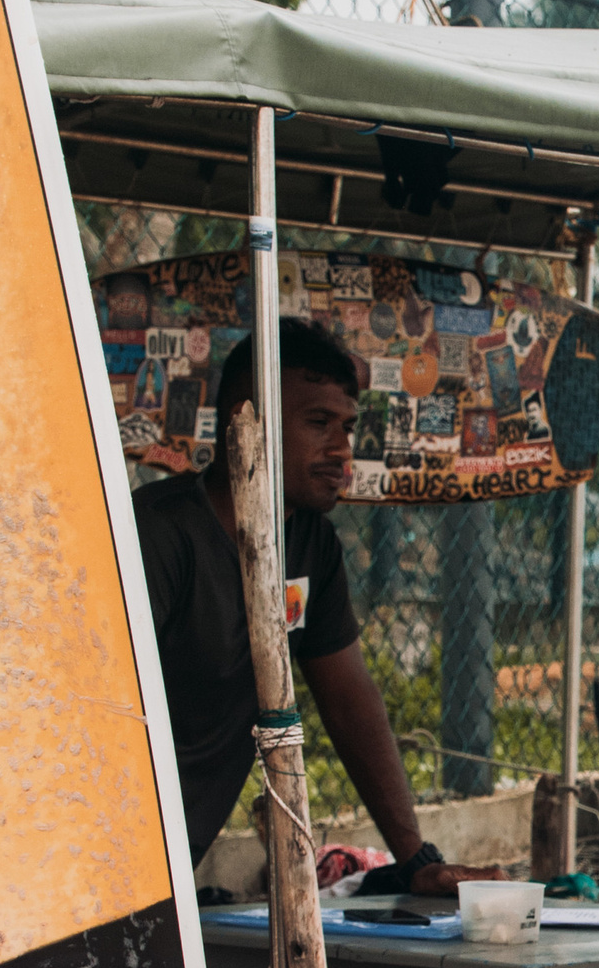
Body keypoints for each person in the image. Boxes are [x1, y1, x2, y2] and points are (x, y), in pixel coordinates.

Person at [133, 317, 497, 892]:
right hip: (97, 844)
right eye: (319, 423)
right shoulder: (157, 535)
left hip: (177, 855)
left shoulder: (311, 546)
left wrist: (417, 859)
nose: (341, 450)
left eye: (348, 428)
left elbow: (349, 699)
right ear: (245, 424)